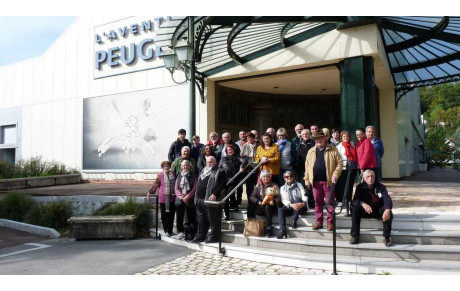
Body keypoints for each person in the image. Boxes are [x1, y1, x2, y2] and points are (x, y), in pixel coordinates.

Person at [304, 129, 343, 231]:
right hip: (315, 182)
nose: (318, 141)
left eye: (320, 138)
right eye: (316, 139)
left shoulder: (333, 149)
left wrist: (335, 175)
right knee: (317, 202)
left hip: (328, 181)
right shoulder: (311, 151)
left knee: (330, 203)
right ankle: (319, 221)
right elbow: (307, 167)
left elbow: (339, 164)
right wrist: (307, 180)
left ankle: (330, 222)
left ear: (324, 138)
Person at [349, 170, 393, 247]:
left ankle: (387, 237)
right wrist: (363, 204)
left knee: (387, 211)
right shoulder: (359, 187)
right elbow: (355, 201)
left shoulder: (381, 187)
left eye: (372, 176)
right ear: (364, 178)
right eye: (368, 176)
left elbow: (387, 198)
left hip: (377, 211)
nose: (370, 178)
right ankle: (355, 236)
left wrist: (388, 208)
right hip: (365, 211)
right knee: (355, 208)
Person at [191, 156, 227, 244]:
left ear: (215, 162)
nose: (209, 164)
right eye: (207, 162)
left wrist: (215, 194)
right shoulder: (203, 170)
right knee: (201, 219)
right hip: (199, 199)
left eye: (211, 162)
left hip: (211, 200)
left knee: (213, 219)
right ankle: (201, 235)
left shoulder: (220, 171)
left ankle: (214, 236)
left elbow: (222, 185)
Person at [147, 161, 176, 237]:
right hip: (163, 198)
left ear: (169, 167)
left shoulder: (173, 174)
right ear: (162, 167)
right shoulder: (160, 175)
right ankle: (166, 230)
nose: (166, 167)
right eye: (164, 166)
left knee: (171, 215)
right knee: (164, 215)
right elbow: (155, 184)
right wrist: (149, 192)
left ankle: (170, 230)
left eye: (167, 166)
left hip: (172, 198)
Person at [248, 170, 280, 237]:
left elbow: (279, 197)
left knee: (267, 207)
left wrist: (273, 201)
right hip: (261, 205)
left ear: (270, 177)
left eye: (267, 176)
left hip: (271, 206)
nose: (265, 178)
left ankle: (269, 227)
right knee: (250, 206)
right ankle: (250, 225)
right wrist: (258, 201)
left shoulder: (274, 185)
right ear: (261, 178)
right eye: (264, 177)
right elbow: (251, 196)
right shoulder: (258, 185)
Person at [277, 171, 308, 239]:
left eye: (291, 176)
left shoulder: (299, 184)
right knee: (280, 210)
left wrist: (304, 203)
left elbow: (304, 194)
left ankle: (294, 220)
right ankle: (283, 230)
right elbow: (283, 200)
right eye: (287, 176)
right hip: (290, 207)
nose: (289, 177)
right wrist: (291, 205)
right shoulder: (282, 188)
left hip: (301, 206)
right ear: (284, 178)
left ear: (293, 177)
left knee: (297, 199)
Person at [173, 160, 198, 240]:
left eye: (186, 165)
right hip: (180, 200)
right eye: (183, 165)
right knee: (179, 217)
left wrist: (187, 196)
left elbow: (194, 188)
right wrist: (182, 197)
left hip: (189, 200)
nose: (185, 167)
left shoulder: (193, 176)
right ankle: (180, 232)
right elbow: (176, 188)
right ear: (181, 167)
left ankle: (190, 233)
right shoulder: (178, 175)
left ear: (189, 166)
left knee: (190, 217)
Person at [219, 144, 245, 217]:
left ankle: (228, 213)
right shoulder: (223, 159)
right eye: (228, 150)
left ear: (234, 150)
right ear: (226, 151)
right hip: (224, 180)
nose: (230, 151)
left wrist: (242, 167)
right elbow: (219, 168)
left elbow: (245, 162)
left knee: (228, 194)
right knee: (226, 195)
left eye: (231, 150)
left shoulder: (237, 158)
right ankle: (233, 207)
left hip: (234, 180)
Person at [335, 131, 359, 208]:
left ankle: (349, 200)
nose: (346, 138)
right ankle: (341, 200)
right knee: (342, 185)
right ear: (341, 138)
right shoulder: (339, 147)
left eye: (347, 136)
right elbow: (337, 158)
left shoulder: (352, 145)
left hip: (353, 168)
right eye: (344, 136)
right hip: (343, 169)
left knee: (350, 185)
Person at [297, 129, 315, 208]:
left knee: (312, 185)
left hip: (312, 168)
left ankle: (313, 203)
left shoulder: (313, 143)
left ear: (309, 134)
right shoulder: (300, 145)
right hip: (302, 169)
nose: (305, 135)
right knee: (304, 186)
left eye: (306, 134)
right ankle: (306, 203)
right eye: (303, 134)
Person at [241, 132, 258, 201]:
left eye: (251, 137)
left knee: (257, 185)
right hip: (248, 167)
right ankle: (250, 201)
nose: (249, 139)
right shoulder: (245, 145)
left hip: (257, 167)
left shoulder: (258, 145)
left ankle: (256, 200)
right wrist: (248, 156)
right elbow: (242, 155)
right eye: (248, 138)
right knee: (249, 186)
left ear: (254, 138)